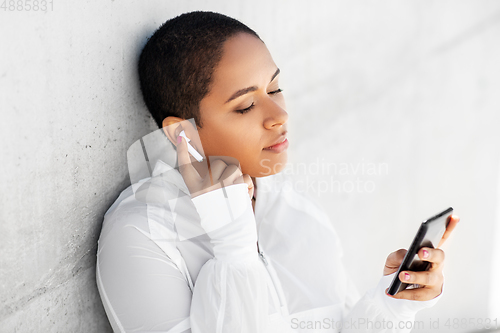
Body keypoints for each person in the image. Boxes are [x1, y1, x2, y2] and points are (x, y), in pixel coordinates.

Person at [96, 11, 460, 333]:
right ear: (183, 133)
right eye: (246, 105)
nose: (280, 115)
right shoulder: (143, 234)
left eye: (276, 88)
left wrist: (390, 306)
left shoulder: (295, 209)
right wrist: (233, 248)